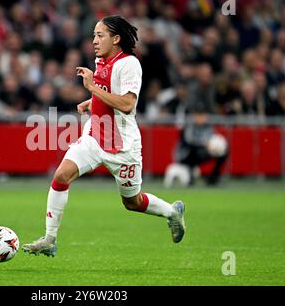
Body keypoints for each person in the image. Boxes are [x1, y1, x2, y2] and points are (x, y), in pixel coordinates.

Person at [23, 15, 186, 257]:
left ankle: (171, 212)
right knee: (61, 175)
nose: (94, 40)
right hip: (95, 136)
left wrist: (92, 88)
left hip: (123, 146)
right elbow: (110, 92)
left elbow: (128, 103)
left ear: (116, 39)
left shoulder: (129, 64)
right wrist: (92, 101)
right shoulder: (101, 61)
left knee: (132, 202)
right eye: (94, 35)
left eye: (100, 35)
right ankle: (49, 239)